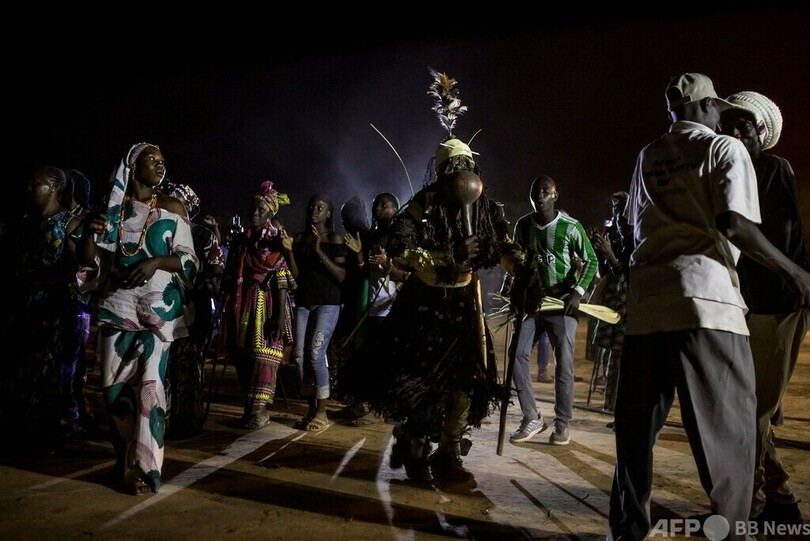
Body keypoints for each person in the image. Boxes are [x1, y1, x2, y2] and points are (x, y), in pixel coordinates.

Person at [607, 73, 810, 541]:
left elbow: (634, 230)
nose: (723, 117)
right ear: (702, 107)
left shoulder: (647, 155)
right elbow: (734, 224)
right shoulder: (723, 149)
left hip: (648, 307)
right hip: (708, 305)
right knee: (731, 440)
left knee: (634, 438)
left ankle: (626, 531)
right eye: (718, 108)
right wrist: (796, 273)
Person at [77, 142, 199, 495]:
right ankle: (123, 460)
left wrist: (155, 262)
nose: (160, 165)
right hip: (117, 306)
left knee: (149, 389)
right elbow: (89, 260)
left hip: (157, 313)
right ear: (132, 166)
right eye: (152, 159)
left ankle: (146, 470)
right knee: (113, 390)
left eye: (163, 160)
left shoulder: (173, 208)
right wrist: (91, 232)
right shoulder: (113, 207)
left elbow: (188, 260)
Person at [719, 91, 809, 526]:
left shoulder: (772, 168)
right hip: (746, 305)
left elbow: (777, 234)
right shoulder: (727, 170)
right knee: (746, 406)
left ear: (761, 133)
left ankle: (749, 509)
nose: (737, 134)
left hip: (778, 303)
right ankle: (780, 496)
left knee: (751, 409)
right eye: (730, 126)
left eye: (746, 127)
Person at [506, 175, 597, 445]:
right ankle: (531, 416)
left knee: (564, 363)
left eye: (545, 191)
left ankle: (562, 422)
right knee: (516, 353)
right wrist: (515, 281)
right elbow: (516, 258)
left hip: (562, 303)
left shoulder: (570, 227)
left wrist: (577, 293)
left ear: (555, 195)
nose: (540, 195)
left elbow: (591, 260)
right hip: (533, 303)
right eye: (535, 191)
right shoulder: (523, 226)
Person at [3, 166, 83, 454]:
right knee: (18, 371)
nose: (29, 188)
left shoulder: (70, 224)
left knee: (46, 374)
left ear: (54, 187)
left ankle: (45, 435)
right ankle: (19, 431)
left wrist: (45, 281)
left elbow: (81, 269)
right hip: (22, 307)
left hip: (52, 311)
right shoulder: (26, 222)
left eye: (36, 183)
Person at [219, 181, 293, 430]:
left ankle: (259, 411)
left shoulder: (275, 241)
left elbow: (282, 278)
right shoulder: (244, 239)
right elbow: (233, 272)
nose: (256, 213)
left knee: (264, 355)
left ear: (270, 213)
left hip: (268, 301)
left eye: (261, 209)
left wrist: (279, 317)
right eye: (253, 208)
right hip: (244, 300)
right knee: (242, 355)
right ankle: (250, 408)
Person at [160, 181, 226, 437]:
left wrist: (195, 279)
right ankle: (162, 418)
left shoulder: (202, 235)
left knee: (187, 363)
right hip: (163, 306)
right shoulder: (159, 228)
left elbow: (217, 265)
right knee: (163, 366)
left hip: (191, 307)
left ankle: (187, 420)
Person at [280, 193, 346, 433]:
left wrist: (319, 251)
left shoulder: (334, 238)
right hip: (304, 302)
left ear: (328, 214)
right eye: (311, 206)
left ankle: (322, 412)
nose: (314, 210)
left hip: (328, 303)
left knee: (316, 353)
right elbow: (296, 275)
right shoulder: (299, 238)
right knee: (298, 356)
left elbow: (341, 275)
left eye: (320, 207)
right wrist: (289, 251)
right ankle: (310, 408)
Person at [587, 190, 631, 412]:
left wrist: (611, 255)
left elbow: (627, 277)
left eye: (622, 211)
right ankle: (612, 407)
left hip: (628, 307)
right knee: (611, 357)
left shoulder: (635, 238)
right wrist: (599, 252)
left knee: (622, 359)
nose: (618, 217)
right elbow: (606, 274)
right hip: (612, 303)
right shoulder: (615, 236)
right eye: (615, 210)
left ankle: (621, 410)